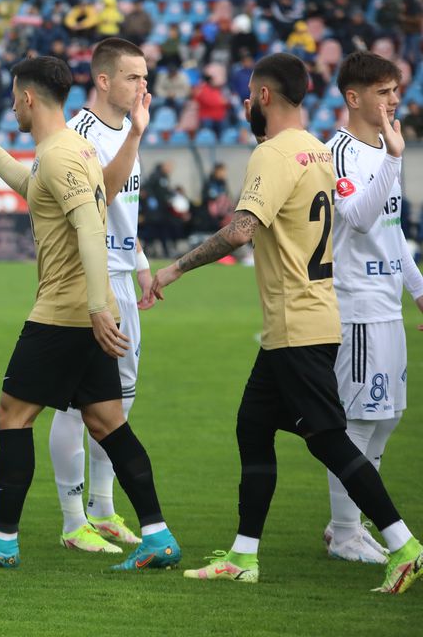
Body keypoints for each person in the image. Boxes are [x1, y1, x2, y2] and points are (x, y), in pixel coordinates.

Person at [153, 52, 423, 593]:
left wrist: (175, 268)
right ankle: (243, 555)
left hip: (299, 320)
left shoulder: (274, 153)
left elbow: (240, 231)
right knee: (252, 426)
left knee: (329, 438)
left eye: (250, 94)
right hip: (305, 318)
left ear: (266, 97)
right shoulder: (318, 151)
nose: (246, 104)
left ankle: (403, 544)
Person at [0, 56, 180, 572]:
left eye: (13, 98)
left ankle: (2, 541)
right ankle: (158, 535)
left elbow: (92, 231)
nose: (12, 107)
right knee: (108, 422)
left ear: (27, 99)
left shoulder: (61, 156)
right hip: (86, 310)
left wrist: (95, 309)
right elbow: (31, 189)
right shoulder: (70, 148)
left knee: (11, 416)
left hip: (65, 313)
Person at [51, 39, 153, 555]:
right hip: (84, 281)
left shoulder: (125, 130)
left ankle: (103, 509)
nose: (143, 87)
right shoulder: (82, 134)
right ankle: (73, 522)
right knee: (76, 404)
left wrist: (141, 265)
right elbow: (102, 196)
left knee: (121, 398)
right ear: (105, 81)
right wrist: (134, 138)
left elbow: (123, 214)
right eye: (133, 78)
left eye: (145, 76)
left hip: (120, 277)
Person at [321, 52, 423, 564]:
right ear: (354, 97)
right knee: (358, 419)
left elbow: (392, 230)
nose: (393, 100)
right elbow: (358, 219)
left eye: (395, 90)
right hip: (354, 303)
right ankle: (344, 532)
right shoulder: (339, 152)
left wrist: (419, 289)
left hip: (387, 303)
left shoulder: (384, 148)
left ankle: (351, 519)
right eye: (383, 91)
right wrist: (395, 159)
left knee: (386, 417)